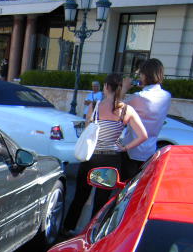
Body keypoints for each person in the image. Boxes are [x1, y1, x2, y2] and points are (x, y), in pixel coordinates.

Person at [63, 73, 148, 235]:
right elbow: (143, 135)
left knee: (81, 195)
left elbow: (89, 129)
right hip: (111, 159)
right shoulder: (126, 110)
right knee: (102, 201)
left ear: (106, 87)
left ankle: (68, 228)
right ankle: (94, 233)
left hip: (92, 156)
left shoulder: (95, 106)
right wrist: (124, 147)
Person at [120, 58, 171, 180]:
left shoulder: (139, 97)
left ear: (145, 75)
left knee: (125, 188)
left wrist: (124, 88)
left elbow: (117, 108)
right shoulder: (167, 96)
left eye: (140, 74)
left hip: (131, 149)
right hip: (150, 150)